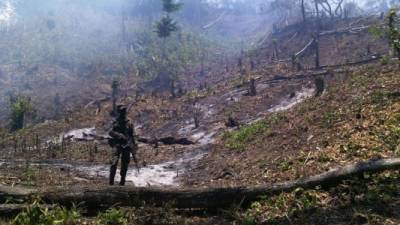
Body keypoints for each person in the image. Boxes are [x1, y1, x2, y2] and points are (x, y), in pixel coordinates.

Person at [108, 105, 138, 186]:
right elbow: (110, 132)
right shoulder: (115, 122)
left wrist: (135, 144)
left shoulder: (129, 122)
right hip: (117, 145)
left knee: (125, 164)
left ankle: (122, 182)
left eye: (124, 111)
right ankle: (111, 182)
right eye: (122, 111)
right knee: (114, 163)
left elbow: (133, 134)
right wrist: (119, 135)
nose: (123, 113)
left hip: (127, 145)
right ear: (119, 112)